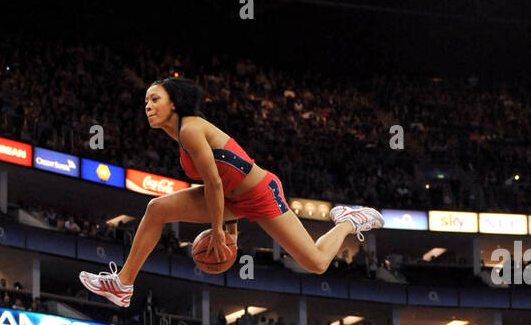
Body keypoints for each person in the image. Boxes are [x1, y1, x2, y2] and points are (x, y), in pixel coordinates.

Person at [79, 76, 383, 307]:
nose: (148, 105)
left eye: (155, 99)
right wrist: (230, 232)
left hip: (262, 193)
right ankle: (124, 283)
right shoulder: (181, 135)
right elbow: (220, 182)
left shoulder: (190, 129)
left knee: (316, 263)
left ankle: (347, 220)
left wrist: (217, 230)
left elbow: (214, 184)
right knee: (156, 209)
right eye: (146, 100)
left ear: (174, 102)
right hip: (233, 198)